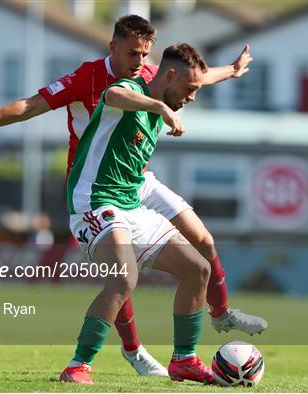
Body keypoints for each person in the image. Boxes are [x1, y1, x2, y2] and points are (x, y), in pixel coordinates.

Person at [0, 15, 267, 377]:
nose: (140, 62)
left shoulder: (157, 78)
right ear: (113, 47)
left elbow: (192, 76)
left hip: (132, 185)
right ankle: (93, 361)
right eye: (134, 53)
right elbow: (60, 101)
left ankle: (189, 353)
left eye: (145, 55)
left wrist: (231, 70)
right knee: (124, 277)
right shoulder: (108, 84)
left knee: (199, 259)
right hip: (94, 193)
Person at [62, 43, 217, 385]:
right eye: (190, 89)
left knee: (197, 269)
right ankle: (77, 366)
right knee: (123, 278)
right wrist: (160, 106)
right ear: (170, 76)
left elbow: (203, 78)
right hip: (94, 202)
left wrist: (231, 70)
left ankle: (184, 360)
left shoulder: (164, 98)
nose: (192, 97)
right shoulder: (131, 88)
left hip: (130, 205)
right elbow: (114, 95)